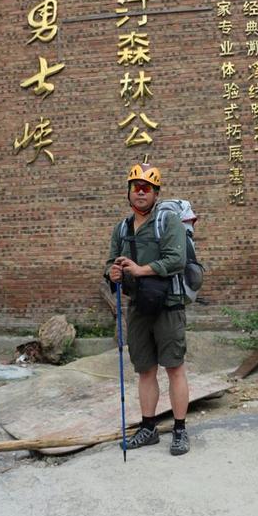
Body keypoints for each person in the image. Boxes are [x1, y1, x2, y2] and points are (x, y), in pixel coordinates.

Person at [105, 161, 191, 456]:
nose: (140, 192)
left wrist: (140, 270)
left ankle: (179, 430)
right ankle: (148, 427)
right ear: (128, 192)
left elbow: (176, 261)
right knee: (145, 370)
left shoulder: (167, 222)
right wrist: (112, 274)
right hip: (138, 306)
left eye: (147, 188)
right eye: (136, 187)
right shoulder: (121, 228)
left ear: (156, 193)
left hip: (168, 305)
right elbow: (110, 262)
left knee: (175, 368)